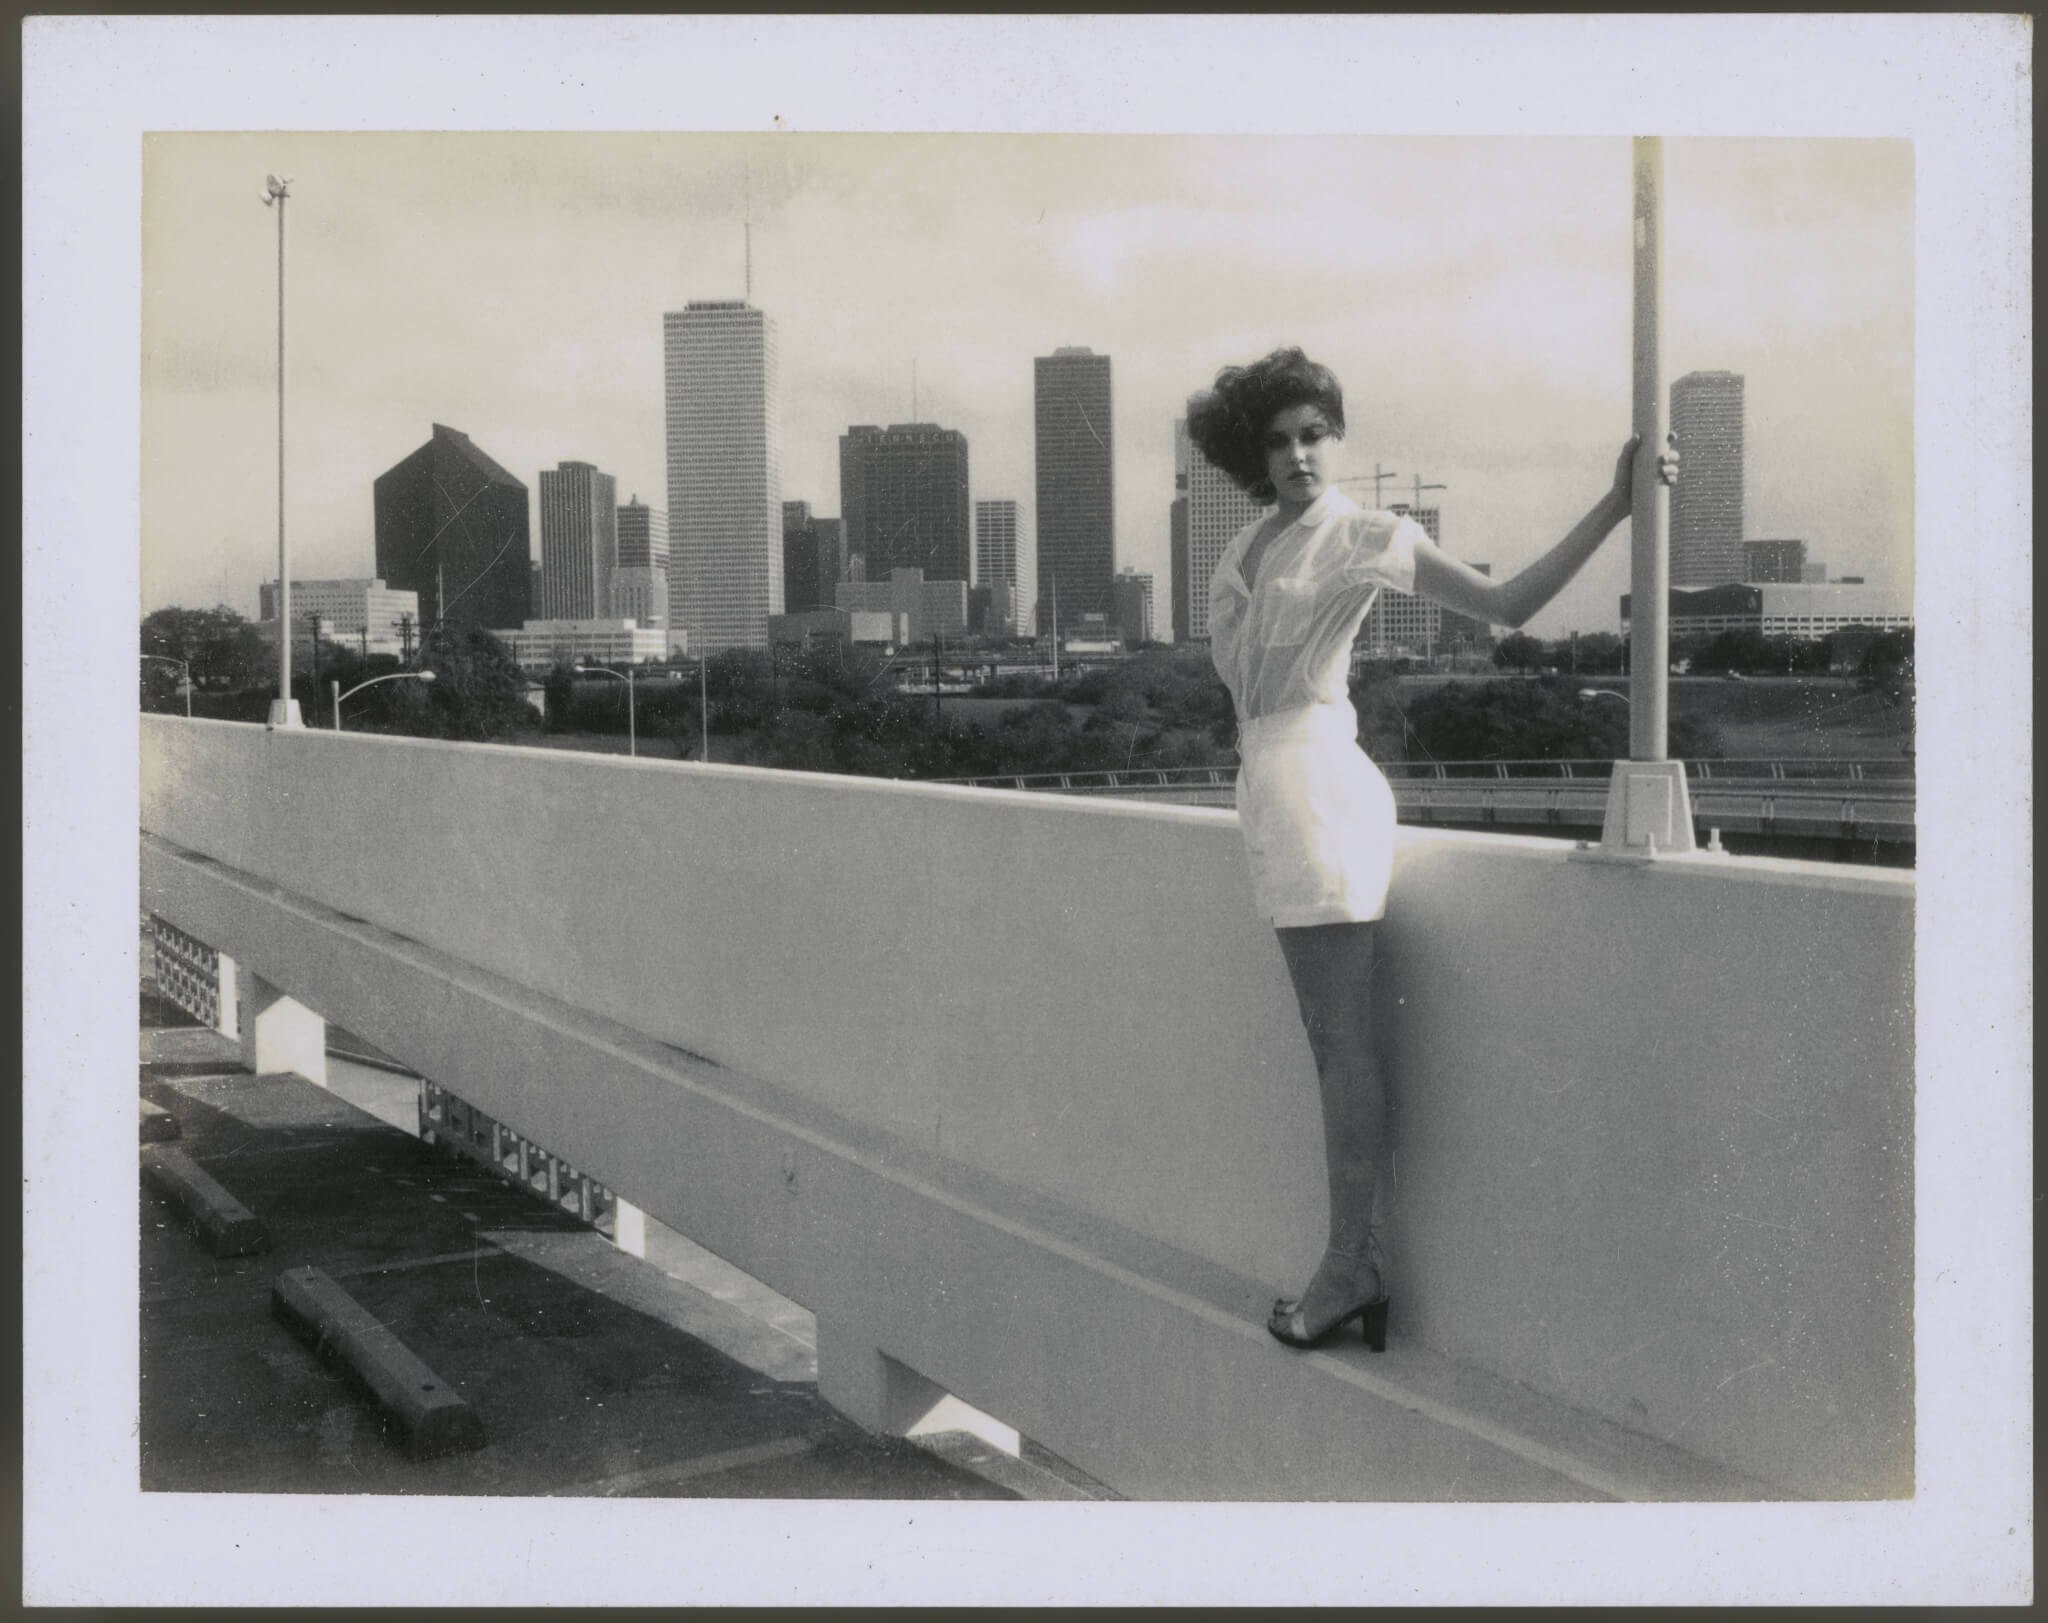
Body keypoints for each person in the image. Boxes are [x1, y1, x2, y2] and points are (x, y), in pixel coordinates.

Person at [1188, 347, 1677, 1351]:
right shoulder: (1239, 551)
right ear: (1252, 454)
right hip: (1269, 798)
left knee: (1341, 1045)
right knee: (1329, 1041)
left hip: (1319, 792)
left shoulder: (1362, 535)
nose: (1297, 454)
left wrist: (1613, 507)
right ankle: (1349, 1263)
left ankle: (1348, 1267)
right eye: (1276, 440)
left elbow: (1505, 608)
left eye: (1313, 433)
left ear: (1334, 437)